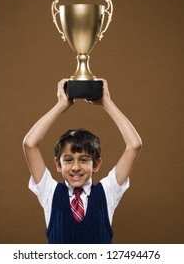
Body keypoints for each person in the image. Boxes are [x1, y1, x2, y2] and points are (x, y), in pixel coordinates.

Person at [22, 78, 142, 244]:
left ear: (97, 164)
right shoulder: (49, 191)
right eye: (69, 160)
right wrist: (61, 105)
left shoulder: (107, 192)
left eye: (84, 160)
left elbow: (134, 145)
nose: (76, 167)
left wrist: (107, 103)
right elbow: (30, 144)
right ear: (58, 164)